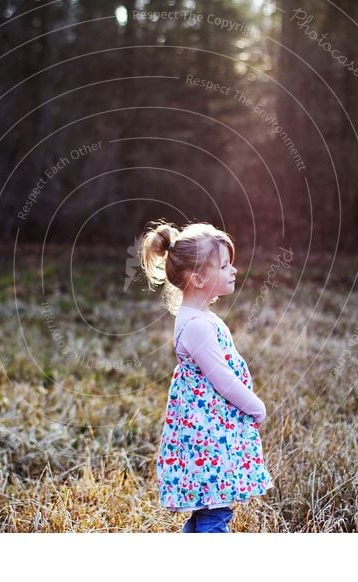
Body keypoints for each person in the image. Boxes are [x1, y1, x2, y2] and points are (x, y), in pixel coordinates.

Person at [139, 220, 273, 533]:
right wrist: (255, 406)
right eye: (225, 265)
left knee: (206, 514)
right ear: (199, 279)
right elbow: (222, 379)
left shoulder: (198, 317)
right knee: (215, 515)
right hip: (209, 440)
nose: (234, 270)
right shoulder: (197, 326)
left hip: (209, 432)